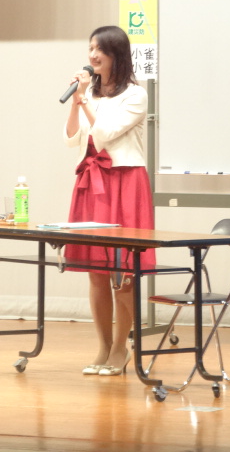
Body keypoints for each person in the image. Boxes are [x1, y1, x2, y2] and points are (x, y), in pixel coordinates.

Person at [62, 25, 155, 377]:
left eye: (99, 49)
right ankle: (102, 346)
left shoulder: (136, 95)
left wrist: (85, 101)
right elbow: (72, 139)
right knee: (97, 271)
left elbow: (105, 133)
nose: (92, 55)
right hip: (91, 181)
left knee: (124, 272)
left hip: (125, 182)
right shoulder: (90, 94)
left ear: (116, 54)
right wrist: (77, 101)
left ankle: (121, 347)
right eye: (90, 48)